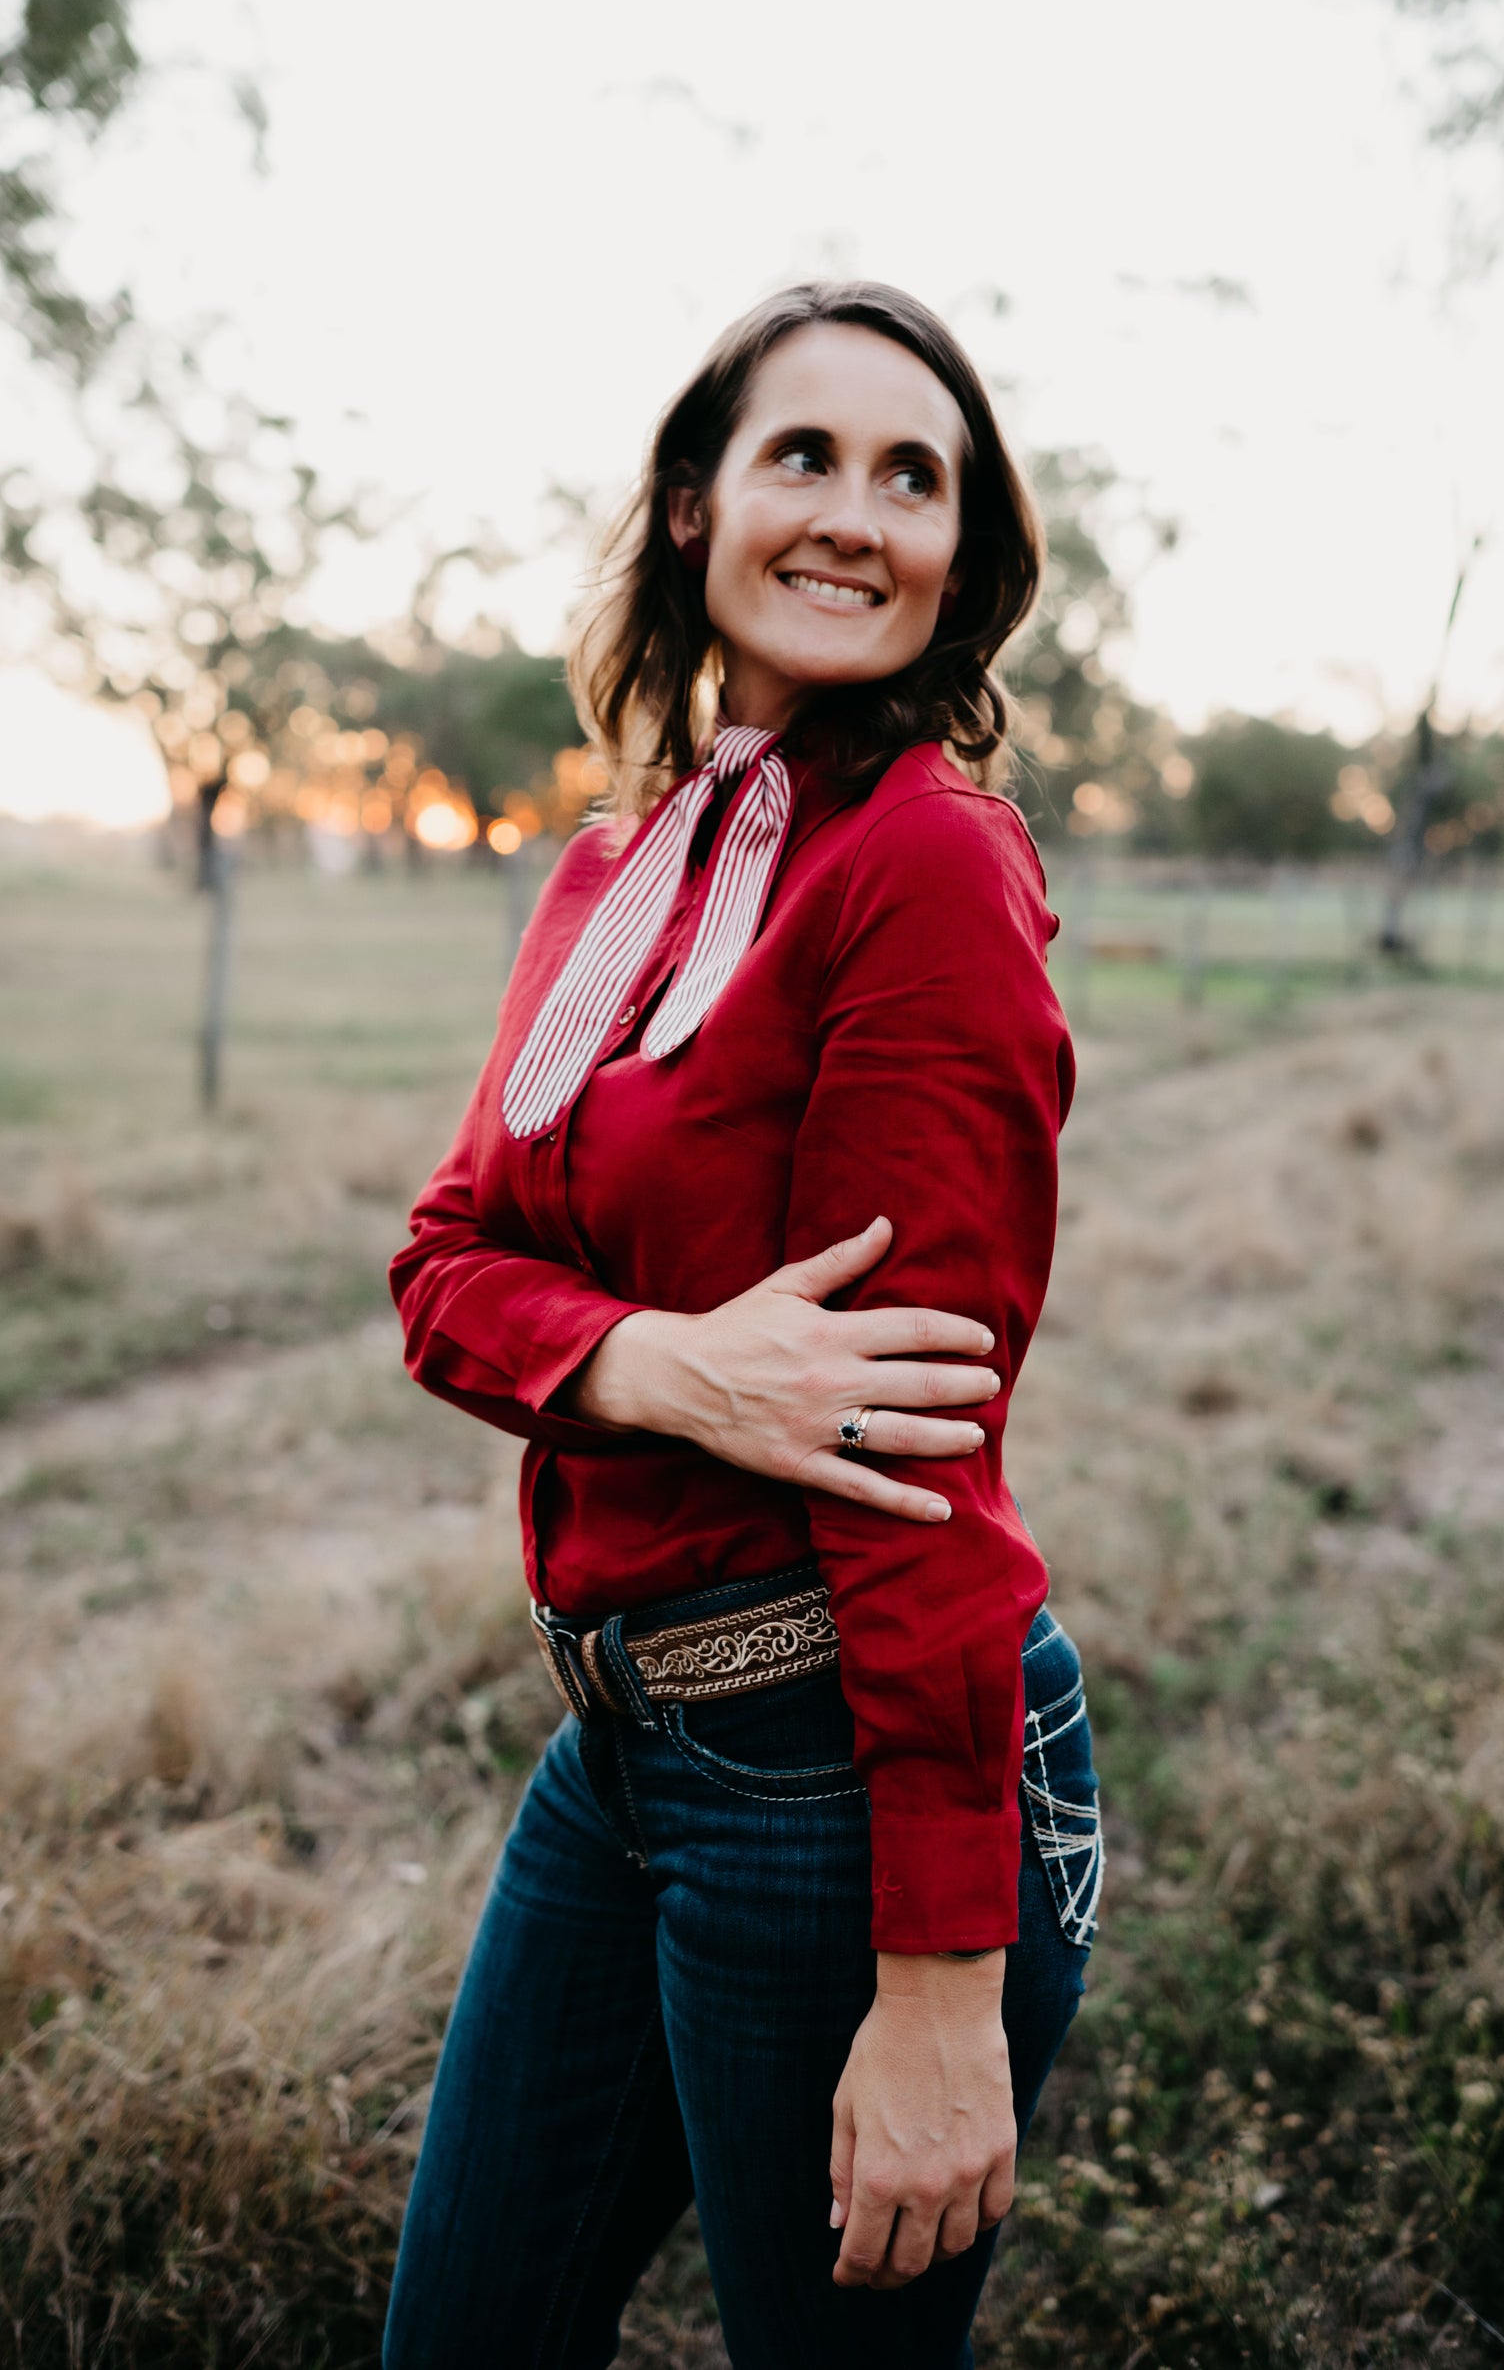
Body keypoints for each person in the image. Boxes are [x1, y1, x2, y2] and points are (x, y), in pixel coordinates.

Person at [382, 280, 1102, 2370]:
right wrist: (660, 1363)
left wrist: (940, 1982)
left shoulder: (927, 866)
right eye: (806, 454)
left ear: (958, 554)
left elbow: (918, 1458)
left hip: (830, 1776)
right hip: (614, 1747)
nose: (856, 513)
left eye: (913, 477)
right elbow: (440, 1268)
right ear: (694, 505)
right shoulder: (617, 865)